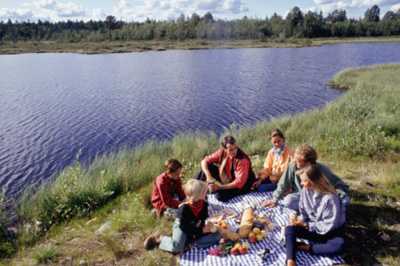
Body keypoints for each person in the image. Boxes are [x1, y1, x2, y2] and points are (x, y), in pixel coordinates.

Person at [285, 164, 346, 266]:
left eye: (303, 181)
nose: (301, 183)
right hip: (313, 228)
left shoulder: (330, 198)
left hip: (329, 232)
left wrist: (307, 226)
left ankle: (306, 247)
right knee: (289, 229)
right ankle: (290, 261)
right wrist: (300, 221)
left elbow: (329, 226)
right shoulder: (306, 191)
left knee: (338, 245)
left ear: (312, 182)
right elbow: (303, 211)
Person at [262, 144, 349, 211]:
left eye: (299, 162)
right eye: (295, 160)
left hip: (321, 196)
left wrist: (337, 198)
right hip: (303, 195)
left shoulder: (321, 170)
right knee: (289, 201)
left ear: (309, 162)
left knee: (344, 201)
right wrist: (275, 199)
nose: (296, 163)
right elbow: (283, 183)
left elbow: (339, 186)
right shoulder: (293, 166)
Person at [144, 179, 221, 254]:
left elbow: (202, 219)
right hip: (182, 227)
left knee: (217, 235)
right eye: (204, 192)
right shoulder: (184, 209)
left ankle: (190, 242)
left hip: (195, 226)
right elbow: (185, 227)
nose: (207, 193)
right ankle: (159, 239)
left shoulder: (204, 204)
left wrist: (207, 226)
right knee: (177, 247)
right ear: (198, 195)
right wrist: (201, 231)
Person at [196, 135, 256, 202]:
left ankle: (207, 191)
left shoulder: (242, 160)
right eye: (231, 150)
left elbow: (239, 183)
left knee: (220, 196)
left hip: (242, 185)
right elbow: (204, 161)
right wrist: (208, 177)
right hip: (227, 177)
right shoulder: (221, 152)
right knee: (205, 169)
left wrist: (220, 187)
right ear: (224, 149)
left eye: (235, 148)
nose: (234, 151)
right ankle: (194, 190)